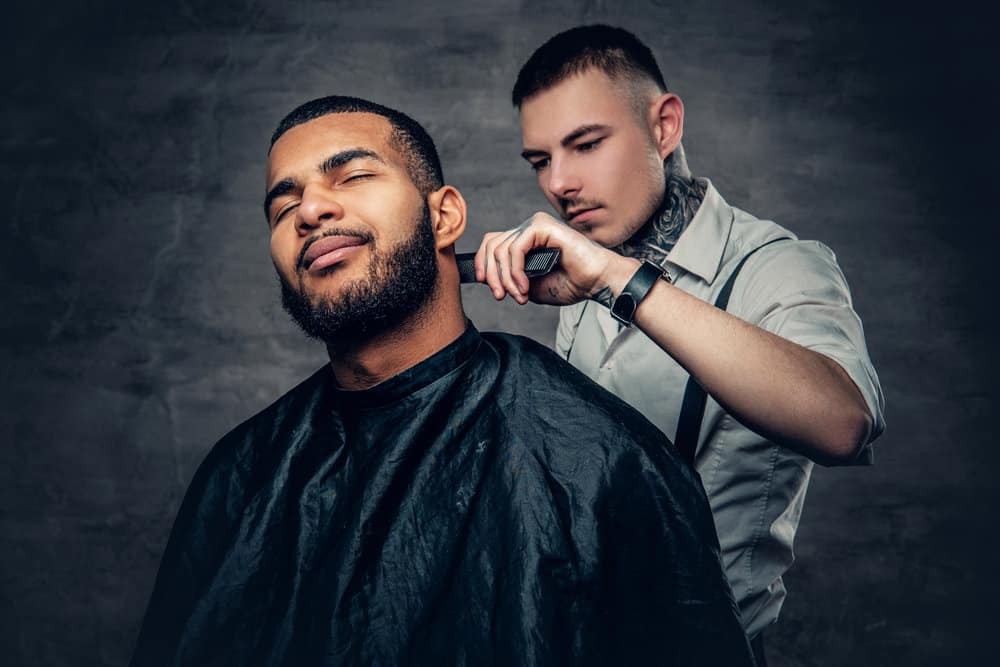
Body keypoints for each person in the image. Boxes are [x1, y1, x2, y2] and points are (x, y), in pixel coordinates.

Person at [130, 95, 756, 666]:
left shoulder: (604, 458)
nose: (311, 209)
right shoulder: (239, 475)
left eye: (352, 176)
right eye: (284, 205)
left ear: (446, 216)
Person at [475, 25, 885, 663]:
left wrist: (615, 278)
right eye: (540, 160)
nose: (559, 183)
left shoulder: (778, 264)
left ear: (664, 126)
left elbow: (843, 423)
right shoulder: (579, 271)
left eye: (585, 144)